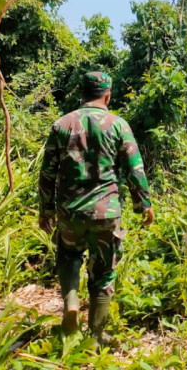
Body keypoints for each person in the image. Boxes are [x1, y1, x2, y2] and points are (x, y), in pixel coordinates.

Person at [38, 70, 154, 346]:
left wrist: (46, 211)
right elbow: (134, 169)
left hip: (70, 211)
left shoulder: (61, 125)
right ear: (108, 95)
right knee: (104, 272)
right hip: (107, 211)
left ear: (82, 94)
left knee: (68, 256)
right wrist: (143, 204)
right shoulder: (118, 125)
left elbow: (47, 173)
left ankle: (71, 304)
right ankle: (98, 334)